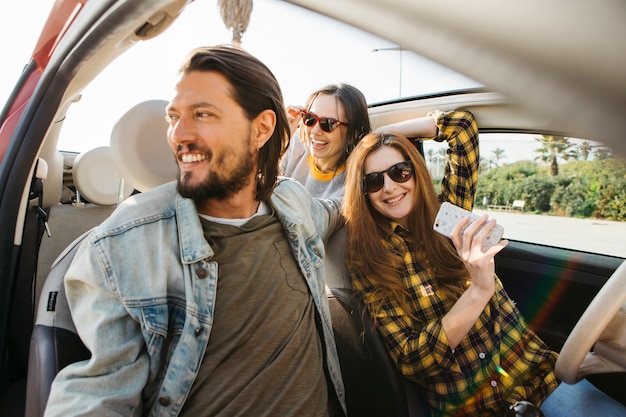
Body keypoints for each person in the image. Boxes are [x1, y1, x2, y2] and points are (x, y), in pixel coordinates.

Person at [44, 45, 346, 417]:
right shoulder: (121, 245)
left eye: (202, 114)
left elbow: (337, 209)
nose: (178, 135)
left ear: (262, 128)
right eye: (173, 117)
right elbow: (97, 395)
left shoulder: (295, 203)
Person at [342, 112, 626, 416]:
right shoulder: (368, 258)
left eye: (399, 171)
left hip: (540, 380)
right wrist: (478, 291)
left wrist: (380, 135)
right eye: (373, 180)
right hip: (474, 407)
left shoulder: (450, 214)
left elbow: (461, 127)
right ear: (364, 192)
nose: (388, 187)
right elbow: (411, 359)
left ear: (416, 171)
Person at [280, 83, 371, 198]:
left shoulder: (352, 182)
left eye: (328, 123)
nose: (315, 130)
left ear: (354, 133)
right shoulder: (291, 147)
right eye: (310, 118)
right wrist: (277, 143)